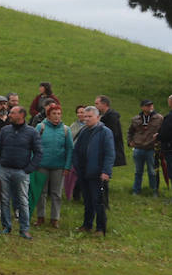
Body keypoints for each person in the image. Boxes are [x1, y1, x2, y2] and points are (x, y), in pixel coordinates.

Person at [0, 105, 43, 239]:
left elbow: (39, 153)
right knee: (4, 199)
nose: (9, 115)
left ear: (21, 115)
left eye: (12, 113)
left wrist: (28, 169)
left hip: (21, 171)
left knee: (23, 201)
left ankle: (24, 229)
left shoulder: (31, 132)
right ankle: (6, 226)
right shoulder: (5, 130)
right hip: (4, 169)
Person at [73, 105, 113, 235]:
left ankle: (101, 228)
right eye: (85, 116)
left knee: (98, 201)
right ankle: (87, 224)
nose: (87, 119)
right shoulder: (84, 131)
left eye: (90, 117)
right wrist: (76, 165)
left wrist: (106, 171)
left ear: (97, 117)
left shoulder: (105, 132)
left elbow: (109, 153)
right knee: (87, 200)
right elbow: (77, 149)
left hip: (97, 172)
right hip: (83, 171)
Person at [33, 102, 72, 227]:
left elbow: (70, 149)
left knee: (56, 193)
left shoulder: (66, 130)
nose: (57, 116)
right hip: (41, 165)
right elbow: (33, 145)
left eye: (59, 114)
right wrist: (33, 163)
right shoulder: (41, 127)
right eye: (54, 114)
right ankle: (40, 217)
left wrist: (67, 166)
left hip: (58, 167)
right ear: (48, 115)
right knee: (41, 192)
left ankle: (55, 219)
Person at [127, 99, 163, 195]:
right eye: (147, 105)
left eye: (151, 105)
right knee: (138, 171)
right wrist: (129, 141)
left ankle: (153, 190)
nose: (150, 107)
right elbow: (130, 131)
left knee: (152, 171)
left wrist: (160, 143)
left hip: (152, 148)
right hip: (138, 148)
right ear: (142, 107)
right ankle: (136, 190)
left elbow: (163, 131)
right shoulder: (136, 119)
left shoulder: (159, 118)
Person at [95, 95, 127, 171]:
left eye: (97, 104)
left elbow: (113, 133)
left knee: (105, 171)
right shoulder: (101, 116)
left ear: (104, 104)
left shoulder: (112, 117)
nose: (95, 106)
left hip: (110, 148)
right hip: (103, 148)